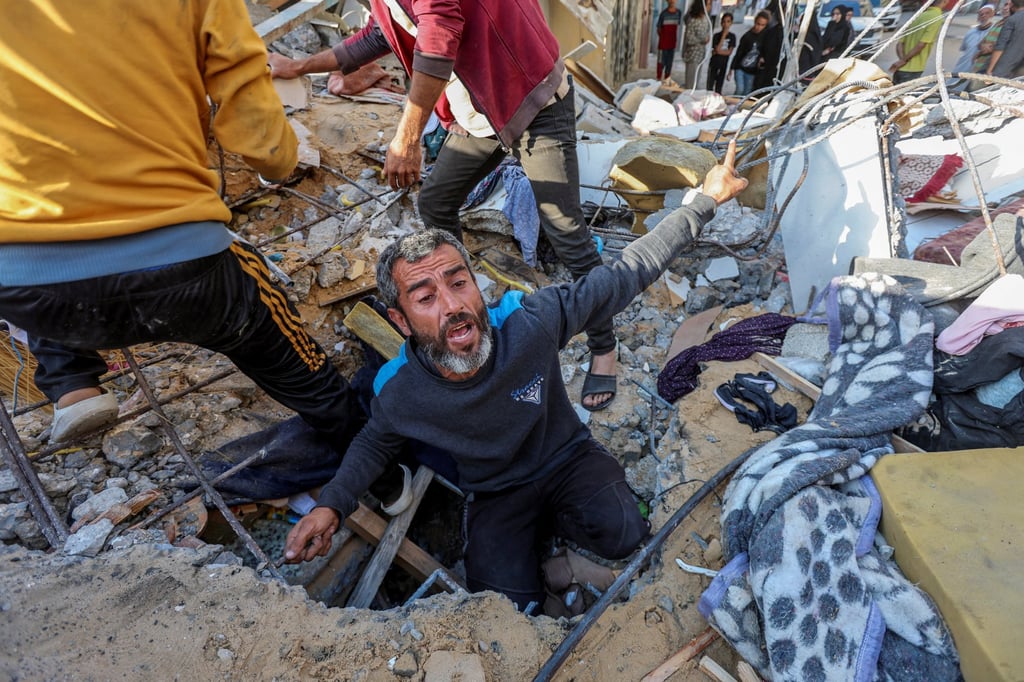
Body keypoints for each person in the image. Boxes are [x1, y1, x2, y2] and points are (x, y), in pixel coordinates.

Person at [283, 142, 750, 610]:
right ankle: (549, 561)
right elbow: (374, 442)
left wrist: (705, 203)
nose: (454, 306)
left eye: (459, 282)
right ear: (401, 321)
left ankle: (561, 535)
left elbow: (623, 276)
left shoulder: (529, 322)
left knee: (625, 532)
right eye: (426, 298)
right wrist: (333, 504)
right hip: (496, 490)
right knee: (502, 604)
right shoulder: (399, 387)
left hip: (566, 457)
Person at [0, 2, 364, 458]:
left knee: (43, 252)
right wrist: (281, 158)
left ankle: (71, 383)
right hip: (180, 265)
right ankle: (370, 458)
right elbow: (265, 142)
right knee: (271, 324)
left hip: (23, 282)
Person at [268, 0, 620, 412]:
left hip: (532, 98)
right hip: (481, 114)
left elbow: (438, 36)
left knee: (566, 231)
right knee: (436, 202)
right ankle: (469, 313)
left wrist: (409, 137)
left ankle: (605, 346)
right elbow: (381, 33)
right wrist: (299, 66)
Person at [890, 0, 944, 84]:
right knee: (906, 96)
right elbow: (921, 45)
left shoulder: (918, 15)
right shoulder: (936, 17)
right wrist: (903, 60)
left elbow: (900, 43)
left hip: (900, 68)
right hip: (913, 70)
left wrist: (901, 60)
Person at [732, 11, 771, 96]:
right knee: (739, 89)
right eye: (758, 24)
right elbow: (739, 52)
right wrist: (732, 68)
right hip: (740, 68)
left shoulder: (765, 37)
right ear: (755, 22)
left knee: (747, 92)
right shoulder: (747, 36)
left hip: (752, 71)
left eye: (762, 25)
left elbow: (766, 51)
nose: (759, 27)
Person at [955, 3, 996, 74]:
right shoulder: (971, 32)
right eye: (981, 14)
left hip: (980, 69)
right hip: (962, 67)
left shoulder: (994, 31)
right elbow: (963, 49)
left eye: (987, 13)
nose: (983, 16)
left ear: (992, 14)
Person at [987, 0, 1024, 77]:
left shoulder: (1012, 19)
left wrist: (990, 70)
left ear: (1012, 5)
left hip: (1003, 69)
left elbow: (1000, 47)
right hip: (1019, 72)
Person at [753, 4, 786, 90]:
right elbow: (762, 46)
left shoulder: (789, 33)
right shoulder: (770, 30)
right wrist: (761, 56)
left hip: (778, 70)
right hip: (765, 68)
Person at [683, 0, 714, 89]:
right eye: (708, 4)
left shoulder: (706, 19)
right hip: (692, 55)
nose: (709, 7)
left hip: (701, 54)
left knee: (696, 81)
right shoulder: (693, 20)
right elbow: (689, 39)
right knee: (690, 83)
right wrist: (702, 40)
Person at [707, 13, 739, 93]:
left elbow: (729, 52)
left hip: (723, 65)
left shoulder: (732, 36)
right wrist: (723, 36)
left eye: (728, 21)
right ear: (721, 23)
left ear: (731, 23)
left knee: (719, 86)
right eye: (724, 21)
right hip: (714, 63)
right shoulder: (716, 36)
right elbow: (716, 49)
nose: (726, 24)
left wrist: (718, 51)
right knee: (710, 85)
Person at [657, 0, 685, 81]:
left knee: (669, 62)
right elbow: (658, 28)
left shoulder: (678, 13)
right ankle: (658, 78)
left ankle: (667, 79)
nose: (672, 1)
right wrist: (663, 37)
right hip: (663, 43)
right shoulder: (663, 14)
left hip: (672, 43)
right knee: (660, 62)